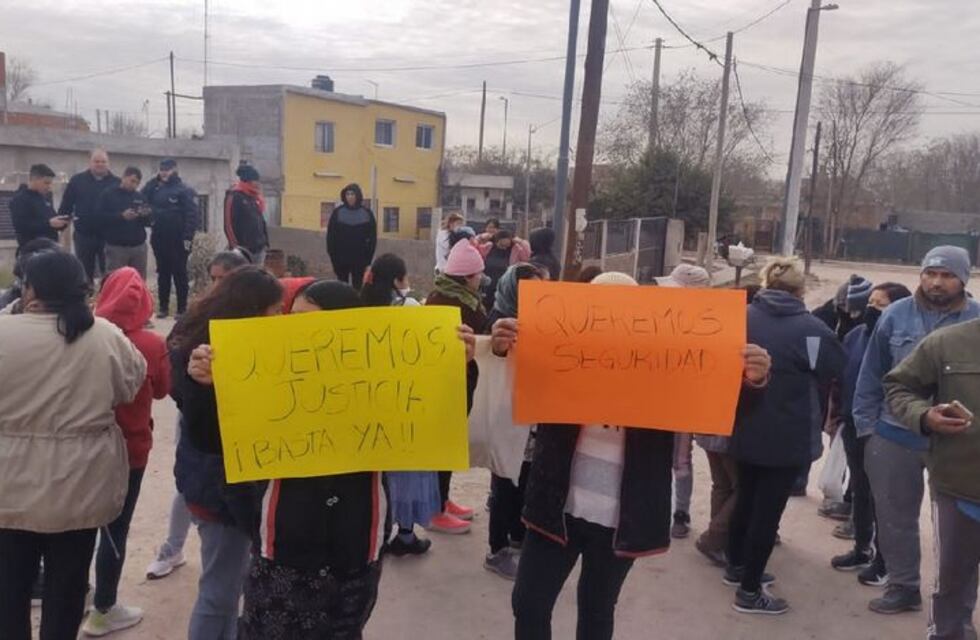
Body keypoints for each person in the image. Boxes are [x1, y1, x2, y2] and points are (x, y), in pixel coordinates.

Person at [500, 271, 773, 639]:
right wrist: (502, 347)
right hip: (555, 506)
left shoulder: (664, 369)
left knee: (596, 611)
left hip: (623, 516)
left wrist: (752, 381)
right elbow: (509, 383)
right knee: (528, 603)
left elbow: (720, 411)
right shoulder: (561, 357)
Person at [0, 251, 145, 640]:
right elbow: (130, 385)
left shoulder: (3, 332)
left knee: (9, 591)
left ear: (30, 289)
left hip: (8, 488)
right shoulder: (104, 336)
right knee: (67, 591)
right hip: (80, 486)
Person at [854, 246, 980, 615]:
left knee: (959, 531)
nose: (937, 282)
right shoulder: (895, 315)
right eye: (930, 273)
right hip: (895, 434)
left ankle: (956, 609)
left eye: (947, 275)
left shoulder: (975, 323)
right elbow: (872, 374)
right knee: (895, 517)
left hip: (960, 446)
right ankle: (903, 585)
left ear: (964, 279)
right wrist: (867, 429)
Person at [727, 257, 846, 615]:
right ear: (800, 289)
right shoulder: (812, 330)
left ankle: (735, 566)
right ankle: (750, 591)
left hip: (742, 424)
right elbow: (833, 368)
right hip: (787, 432)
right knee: (767, 512)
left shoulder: (740, 318)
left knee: (745, 498)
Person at [169, 267, 283, 639]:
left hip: (215, 487)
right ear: (251, 309)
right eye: (275, 310)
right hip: (220, 494)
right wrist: (203, 386)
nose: (280, 319)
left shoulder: (195, 334)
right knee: (220, 592)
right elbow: (204, 432)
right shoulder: (206, 356)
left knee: (228, 587)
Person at [143, 248, 253, 582]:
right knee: (192, 486)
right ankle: (172, 548)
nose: (217, 285)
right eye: (214, 278)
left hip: (241, 427)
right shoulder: (197, 315)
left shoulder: (257, 320)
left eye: (225, 279)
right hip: (196, 419)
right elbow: (172, 369)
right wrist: (195, 388)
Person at [81, 267, 171, 636]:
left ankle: (77, 594)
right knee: (115, 529)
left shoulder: (84, 336)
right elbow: (163, 391)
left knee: (80, 525)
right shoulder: (151, 344)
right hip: (131, 450)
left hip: (85, 448)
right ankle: (104, 608)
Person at [884, 316, 980, 640]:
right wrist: (924, 416)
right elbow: (899, 386)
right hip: (962, 489)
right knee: (953, 580)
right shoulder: (947, 342)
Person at [829, 283, 912, 586]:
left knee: (884, 498)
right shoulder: (855, 336)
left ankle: (885, 561)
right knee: (860, 492)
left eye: (880, 304)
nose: (871, 309)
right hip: (854, 425)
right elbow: (842, 377)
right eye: (871, 302)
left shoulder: (903, 342)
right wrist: (837, 416)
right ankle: (862, 548)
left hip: (886, 429)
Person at [360, 255, 443, 554]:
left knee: (377, 472)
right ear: (398, 279)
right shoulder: (410, 307)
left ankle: (375, 535)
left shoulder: (360, 307)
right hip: (406, 400)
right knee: (407, 470)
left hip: (370, 400)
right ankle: (405, 536)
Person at [425, 240, 491, 533]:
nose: (481, 279)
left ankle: (442, 499)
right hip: (449, 384)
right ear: (466, 277)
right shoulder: (458, 303)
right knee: (443, 446)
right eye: (478, 274)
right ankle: (435, 509)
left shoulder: (440, 293)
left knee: (448, 445)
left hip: (456, 380)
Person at [482, 263, 543, 580]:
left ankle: (519, 534)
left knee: (527, 478)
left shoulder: (544, 322)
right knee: (504, 482)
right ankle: (497, 549)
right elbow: (487, 366)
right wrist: (498, 347)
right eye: (529, 289)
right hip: (506, 416)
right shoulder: (499, 322)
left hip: (533, 419)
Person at [656, 264, 712, 539]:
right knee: (655, 457)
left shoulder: (710, 324)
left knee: (680, 460)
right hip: (657, 398)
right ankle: (659, 511)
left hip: (684, 402)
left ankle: (680, 512)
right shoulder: (660, 316)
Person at [143, 158, 198, 319]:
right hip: (159, 238)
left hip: (178, 239)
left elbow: (192, 216)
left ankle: (182, 309)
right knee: (163, 273)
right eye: (162, 170)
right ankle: (163, 308)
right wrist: (154, 182)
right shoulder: (155, 188)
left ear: (175, 170)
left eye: (167, 169)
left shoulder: (184, 190)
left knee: (180, 274)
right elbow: (141, 197)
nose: (164, 173)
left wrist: (188, 238)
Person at [60, 149, 119, 282]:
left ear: (108, 163)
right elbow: (66, 205)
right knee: (83, 275)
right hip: (84, 236)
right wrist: (60, 225)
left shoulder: (116, 183)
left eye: (103, 161)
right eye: (96, 161)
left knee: (110, 275)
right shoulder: (77, 181)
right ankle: (86, 294)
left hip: (109, 238)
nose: (100, 164)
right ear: (90, 162)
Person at [97, 166, 151, 279]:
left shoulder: (140, 197)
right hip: (116, 248)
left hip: (138, 247)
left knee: (138, 280)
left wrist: (145, 215)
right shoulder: (108, 194)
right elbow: (100, 218)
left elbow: (148, 222)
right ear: (124, 177)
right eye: (132, 181)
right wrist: (121, 216)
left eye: (137, 183)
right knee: (116, 280)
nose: (134, 185)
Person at [326, 183, 377, 288]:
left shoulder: (367, 214)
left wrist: (368, 260)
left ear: (358, 195)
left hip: (360, 259)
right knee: (342, 288)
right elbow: (331, 237)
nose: (350, 197)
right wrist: (333, 258)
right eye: (348, 194)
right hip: (341, 259)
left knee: (357, 287)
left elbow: (372, 239)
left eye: (352, 194)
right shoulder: (337, 213)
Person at [10, 163, 68, 251]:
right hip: (31, 250)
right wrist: (48, 224)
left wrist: (62, 223)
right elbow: (21, 227)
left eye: (50, 183)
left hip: (50, 248)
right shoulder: (20, 199)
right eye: (46, 183)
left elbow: (52, 219)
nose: (49, 187)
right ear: (34, 179)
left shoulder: (44, 199)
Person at [223, 163, 269, 267]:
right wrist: (235, 247)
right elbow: (228, 224)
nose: (258, 184)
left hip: (259, 248)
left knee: (256, 275)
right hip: (243, 250)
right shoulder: (234, 196)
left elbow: (260, 221)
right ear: (248, 181)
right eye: (255, 180)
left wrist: (265, 242)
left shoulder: (254, 197)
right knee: (243, 275)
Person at [477, 229, 531, 310]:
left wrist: (521, 241)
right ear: (496, 242)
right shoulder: (488, 247)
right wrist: (480, 237)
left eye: (507, 245)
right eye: (501, 245)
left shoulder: (516, 249)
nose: (504, 248)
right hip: (487, 286)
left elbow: (527, 256)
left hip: (504, 288)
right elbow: (474, 247)